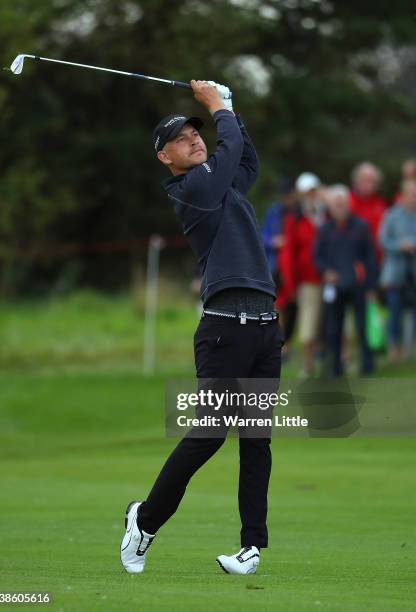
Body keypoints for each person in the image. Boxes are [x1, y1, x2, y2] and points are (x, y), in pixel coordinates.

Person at [120, 81, 283, 575]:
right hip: (223, 330)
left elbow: (245, 160)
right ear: (164, 158)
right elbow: (225, 156)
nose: (194, 138)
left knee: (257, 440)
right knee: (209, 435)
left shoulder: (224, 184)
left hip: (264, 328)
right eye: (182, 137)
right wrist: (217, 109)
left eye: (196, 131)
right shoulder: (192, 190)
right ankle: (144, 522)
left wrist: (230, 109)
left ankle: (251, 548)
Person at [314, 185, 376, 377]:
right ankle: (335, 367)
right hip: (334, 286)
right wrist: (326, 271)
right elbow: (317, 257)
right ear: (331, 207)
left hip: (358, 286)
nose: (340, 207)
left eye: (343, 204)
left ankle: (367, 365)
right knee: (334, 328)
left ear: (349, 205)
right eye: (336, 204)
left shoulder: (361, 226)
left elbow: (370, 258)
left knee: (362, 327)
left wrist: (370, 285)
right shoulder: (325, 229)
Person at [277, 172, 325, 377]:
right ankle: (308, 366)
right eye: (308, 192)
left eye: (314, 191)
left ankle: (338, 362)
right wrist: (290, 282)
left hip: (332, 278)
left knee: (334, 324)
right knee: (308, 326)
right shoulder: (294, 219)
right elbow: (288, 255)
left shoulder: (328, 213)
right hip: (308, 280)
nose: (312, 195)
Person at [379, 179, 416, 361]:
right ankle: (393, 346)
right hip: (395, 274)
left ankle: (409, 347)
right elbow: (383, 240)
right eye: (411, 194)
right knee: (394, 312)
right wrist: (400, 245)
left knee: (412, 313)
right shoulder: (392, 215)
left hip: (413, 274)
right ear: (402, 195)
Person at [261, 179, 298, 353]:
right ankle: (281, 345)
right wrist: (273, 242)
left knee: (293, 307)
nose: (288, 199)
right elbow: (263, 237)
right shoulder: (274, 212)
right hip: (276, 266)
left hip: (295, 266)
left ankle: (286, 342)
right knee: (279, 306)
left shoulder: (299, 213)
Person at [350, 162, 387, 262]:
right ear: (355, 181)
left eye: (372, 181)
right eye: (364, 180)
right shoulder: (347, 201)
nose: (368, 185)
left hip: (377, 259)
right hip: (352, 259)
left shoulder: (381, 204)